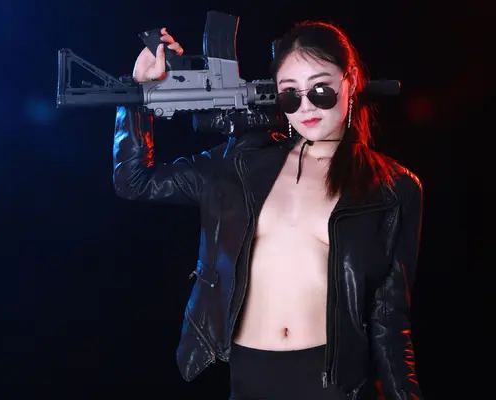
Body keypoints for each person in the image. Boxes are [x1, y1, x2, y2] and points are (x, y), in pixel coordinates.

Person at [113, 20, 425, 400]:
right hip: (250, 381)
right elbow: (134, 181)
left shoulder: (392, 188)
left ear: (352, 80)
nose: (306, 106)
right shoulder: (240, 165)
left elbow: (390, 319)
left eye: (321, 89)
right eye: (290, 94)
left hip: (333, 388)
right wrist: (138, 93)